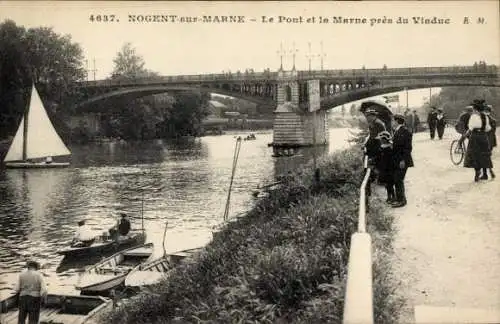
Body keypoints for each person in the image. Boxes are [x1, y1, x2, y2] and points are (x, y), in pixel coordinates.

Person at [463, 99, 493, 182]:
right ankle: (485, 174)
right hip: (483, 137)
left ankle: (477, 171)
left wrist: (464, 136)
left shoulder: (473, 116)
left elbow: (470, 128)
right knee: (484, 155)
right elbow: (488, 128)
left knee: (474, 155)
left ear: (475, 109)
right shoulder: (485, 117)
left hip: (475, 137)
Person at [391, 114, 414, 208]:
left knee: (398, 179)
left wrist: (403, 160)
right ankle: (399, 198)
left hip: (402, 160)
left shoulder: (405, 131)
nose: (392, 122)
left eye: (393, 121)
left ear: (397, 121)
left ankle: (402, 200)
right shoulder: (397, 131)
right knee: (397, 179)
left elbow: (407, 148)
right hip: (397, 160)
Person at [376, 131, 395, 203]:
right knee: (387, 184)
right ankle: (389, 196)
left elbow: (392, 158)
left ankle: (392, 196)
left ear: (385, 139)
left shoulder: (390, 147)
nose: (380, 140)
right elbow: (379, 157)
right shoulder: (381, 147)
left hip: (389, 167)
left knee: (390, 183)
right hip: (383, 168)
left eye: (382, 139)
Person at [482, 104, 496, 179]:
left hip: (485, 141)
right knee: (486, 156)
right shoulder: (493, 121)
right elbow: (493, 133)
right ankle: (486, 174)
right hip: (491, 142)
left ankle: (487, 173)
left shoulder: (483, 120)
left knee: (484, 157)